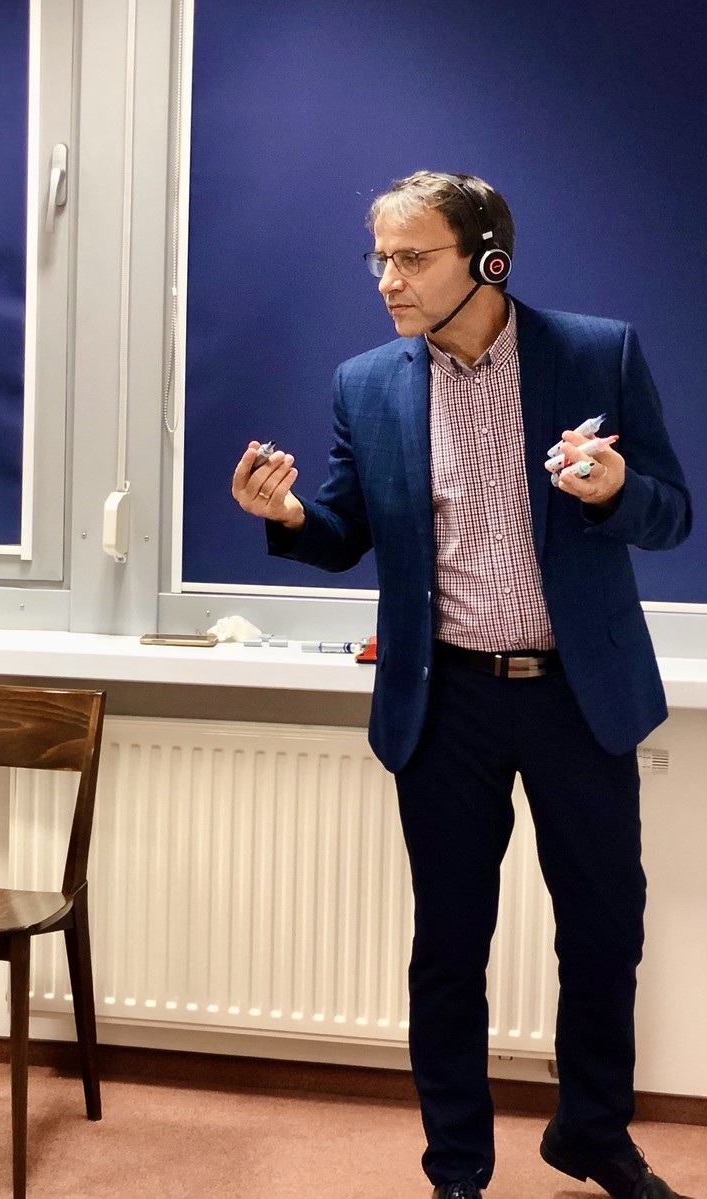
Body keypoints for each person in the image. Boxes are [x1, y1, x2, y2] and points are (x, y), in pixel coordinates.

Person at [230, 171, 691, 1199]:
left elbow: (671, 513)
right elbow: (346, 529)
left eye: (411, 257)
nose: (387, 279)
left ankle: (593, 1134)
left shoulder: (596, 353)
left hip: (578, 694)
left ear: (488, 259)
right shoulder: (365, 383)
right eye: (379, 258)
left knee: (604, 930)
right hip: (446, 701)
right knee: (448, 942)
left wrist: (616, 489)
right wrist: (291, 515)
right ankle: (456, 1165)